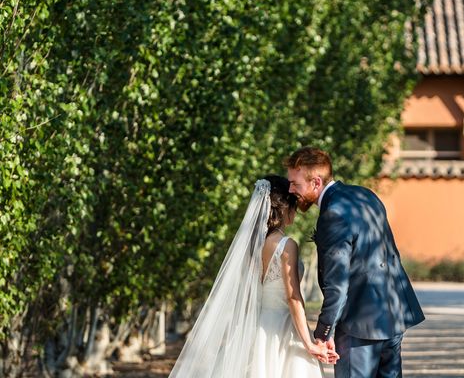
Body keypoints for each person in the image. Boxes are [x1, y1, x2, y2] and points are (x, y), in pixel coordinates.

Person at [168, 175, 335, 377]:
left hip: (255, 328)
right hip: (281, 328)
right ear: (284, 208)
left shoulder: (251, 247)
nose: (296, 212)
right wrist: (309, 344)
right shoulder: (286, 245)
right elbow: (293, 297)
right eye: (294, 205)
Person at [285, 147, 425, 378]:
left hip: (360, 325)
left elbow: (337, 284)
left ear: (316, 182)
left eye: (295, 184)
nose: (291, 190)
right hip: (393, 313)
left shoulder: (333, 213)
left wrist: (323, 333)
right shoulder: (365, 194)